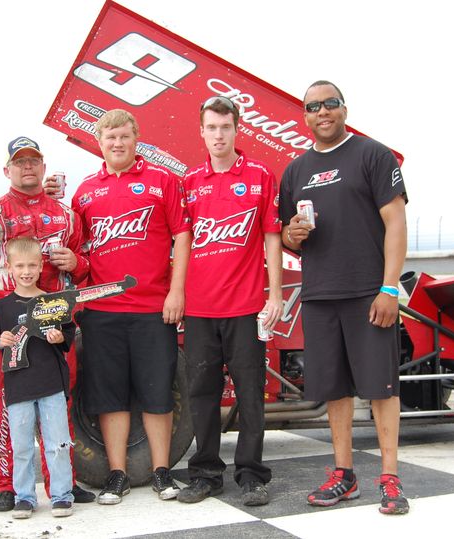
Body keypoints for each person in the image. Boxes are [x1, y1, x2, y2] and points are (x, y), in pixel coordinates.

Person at [279, 80, 409, 515]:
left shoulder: (373, 155)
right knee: (333, 389)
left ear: (344, 108)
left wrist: (390, 287)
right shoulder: (295, 170)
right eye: (313, 107)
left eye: (330, 104)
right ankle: (344, 475)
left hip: (369, 294)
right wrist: (290, 235)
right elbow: (286, 235)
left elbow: (395, 223)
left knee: (381, 388)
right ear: (305, 116)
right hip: (319, 296)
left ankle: (390, 478)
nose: (322, 112)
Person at [0, 136, 92, 511]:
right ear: (8, 170)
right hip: (10, 329)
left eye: (33, 160)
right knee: (5, 409)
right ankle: (6, 486)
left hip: (54, 331)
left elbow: (86, 269)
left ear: (43, 166)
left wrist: (76, 264)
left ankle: (62, 485)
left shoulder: (67, 215)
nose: (27, 167)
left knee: (58, 407)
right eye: (20, 162)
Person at [71, 109, 191, 504]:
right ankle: (117, 475)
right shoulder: (85, 191)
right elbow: (78, 251)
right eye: (110, 138)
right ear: (99, 143)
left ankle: (161, 472)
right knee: (110, 396)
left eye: (124, 136)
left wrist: (176, 292)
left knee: (158, 394)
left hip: (153, 310)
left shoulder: (161, 181)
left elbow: (183, 235)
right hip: (101, 312)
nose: (117, 144)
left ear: (135, 138)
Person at [177, 96, 282, 507]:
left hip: (246, 307)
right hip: (201, 309)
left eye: (225, 127)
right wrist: (180, 295)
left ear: (236, 129)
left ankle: (252, 474)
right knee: (201, 392)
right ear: (201, 131)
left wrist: (274, 294)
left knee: (250, 391)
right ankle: (205, 473)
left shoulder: (259, 175)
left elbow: (272, 236)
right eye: (211, 128)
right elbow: (182, 242)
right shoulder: (190, 181)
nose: (218, 135)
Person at [0, 237, 76, 519]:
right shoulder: (2, 307)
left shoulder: (53, 302)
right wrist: (0, 341)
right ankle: (24, 497)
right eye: (20, 265)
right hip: (18, 386)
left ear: (41, 267)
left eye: (32, 265)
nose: (26, 271)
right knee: (20, 445)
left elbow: (68, 335)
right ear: (9, 268)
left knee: (58, 442)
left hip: (51, 384)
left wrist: (59, 336)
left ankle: (62, 495)